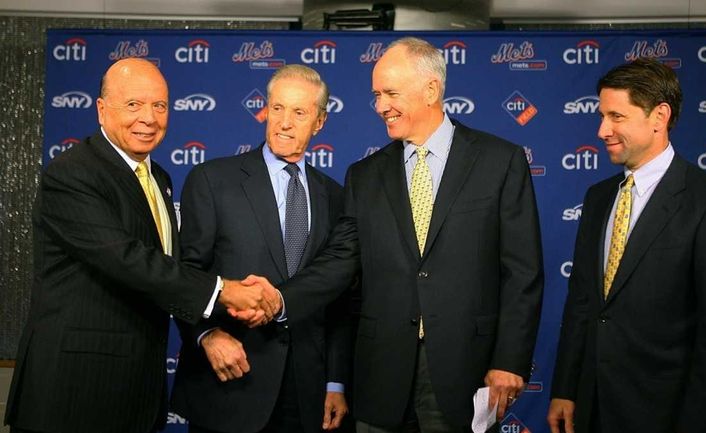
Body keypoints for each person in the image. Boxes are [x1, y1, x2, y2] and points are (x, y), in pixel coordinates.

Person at [241, 37, 544, 432]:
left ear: (431, 90)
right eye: (376, 95)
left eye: (390, 93)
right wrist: (281, 298)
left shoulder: (499, 161)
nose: (381, 105)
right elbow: (339, 264)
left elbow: (522, 271)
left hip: (465, 369)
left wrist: (509, 360)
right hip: (380, 376)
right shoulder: (364, 176)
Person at [4, 58, 275, 433]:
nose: (149, 117)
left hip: (136, 390)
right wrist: (223, 291)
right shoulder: (73, 173)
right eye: (133, 104)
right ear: (102, 109)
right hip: (74, 393)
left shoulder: (158, 177)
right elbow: (127, 260)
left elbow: (167, 269)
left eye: (159, 106)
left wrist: (206, 330)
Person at [546, 58, 706, 433]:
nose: (601, 130)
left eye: (616, 116)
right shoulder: (598, 198)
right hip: (591, 410)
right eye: (601, 116)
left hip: (666, 416)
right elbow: (582, 305)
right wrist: (565, 390)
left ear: (659, 116)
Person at [170, 64, 351, 433]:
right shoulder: (212, 180)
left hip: (306, 393)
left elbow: (339, 297)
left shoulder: (335, 196)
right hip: (230, 381)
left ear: (319, 122)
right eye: (278, 108)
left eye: (299, 112)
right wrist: (205, 335)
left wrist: (335, 382)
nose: (284, 122)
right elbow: (183, 275)